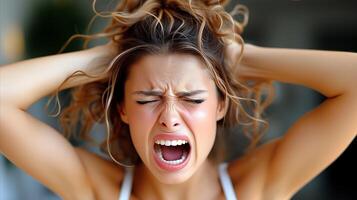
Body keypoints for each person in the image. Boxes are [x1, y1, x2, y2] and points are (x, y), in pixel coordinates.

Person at [0, 0, 356, 199]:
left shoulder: (256, 189)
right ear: (122, 109)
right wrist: (110, 58)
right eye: (147, 98)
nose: (169, 117)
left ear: (220, 104)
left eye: (192, 98)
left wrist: (240, 58)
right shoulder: (97, 191)